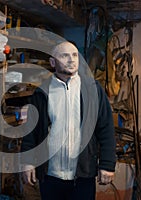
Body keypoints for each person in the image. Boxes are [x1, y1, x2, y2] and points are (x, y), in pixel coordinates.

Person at [20, 41, 116, 200]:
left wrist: (107, 163)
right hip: (51, 176)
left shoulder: (92, 89)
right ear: (52, 62)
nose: (71, 60)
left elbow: (106, 128)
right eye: (64, 56)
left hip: (83, 176)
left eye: (74, 55)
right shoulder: (42, 93)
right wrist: (27, 162)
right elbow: (31, 131)